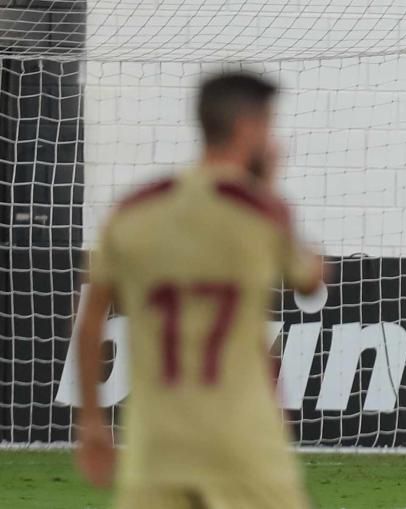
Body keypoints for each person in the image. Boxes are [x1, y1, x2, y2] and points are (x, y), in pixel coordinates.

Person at [74, 72, 323, 508]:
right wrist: (265, 184)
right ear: (248, 129)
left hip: (157, 447)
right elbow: (310, 278)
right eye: (268, 125)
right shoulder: (262, 211)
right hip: (241, 443)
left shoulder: (134, 210)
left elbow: (92, 318)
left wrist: (92, 422)